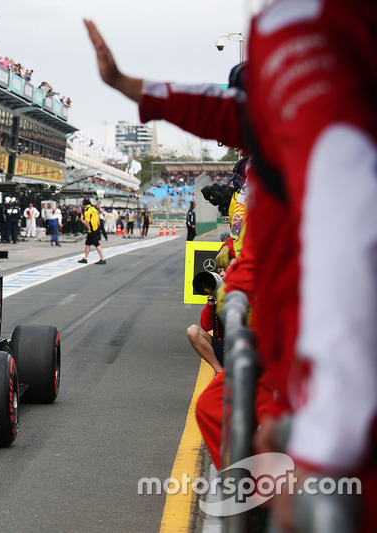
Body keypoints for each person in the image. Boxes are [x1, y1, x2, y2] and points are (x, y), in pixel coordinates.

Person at [87, 6, 377, 527]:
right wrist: (129, 85)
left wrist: (322, 450)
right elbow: (235, 109)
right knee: (220, 405)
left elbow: (350, 269)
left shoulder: (312, 76)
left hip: (330, 377)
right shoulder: (269, 138)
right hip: (288, 338)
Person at [186, 266, 227, 375]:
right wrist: (211, 299)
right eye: (220, 271)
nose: (221, 274)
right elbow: (206, 326)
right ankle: (219, 372)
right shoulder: (216, 298)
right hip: (222, 347)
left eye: (225, 271)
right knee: (193, 331)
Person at [77, 198, 106, 265]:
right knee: (87, 244)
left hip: (92, 230)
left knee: (96, 244)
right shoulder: (94, 209)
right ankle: (85, 258)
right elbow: (98, 219)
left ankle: (102, 259)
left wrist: (81, 219)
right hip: (95, 229)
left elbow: (87, 223)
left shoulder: (87, 211)